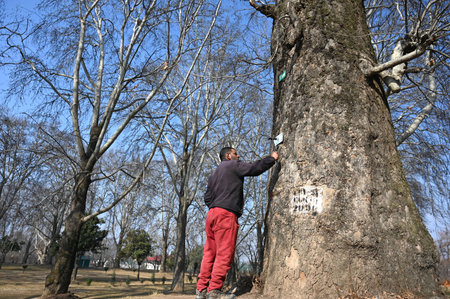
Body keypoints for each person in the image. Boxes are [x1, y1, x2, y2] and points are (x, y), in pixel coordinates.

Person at [196, 147, 279, 299]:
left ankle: (201, 290)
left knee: (209, 253)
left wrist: (216, 205)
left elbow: (207, 197)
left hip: (212, 214)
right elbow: (254, 168)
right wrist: (271, 158)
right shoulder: (233, 165)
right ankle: (214, 290)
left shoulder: (214, 174)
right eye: (235, 153)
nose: (238, 155)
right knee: (224, 253)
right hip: (226, 215)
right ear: (228, 156)